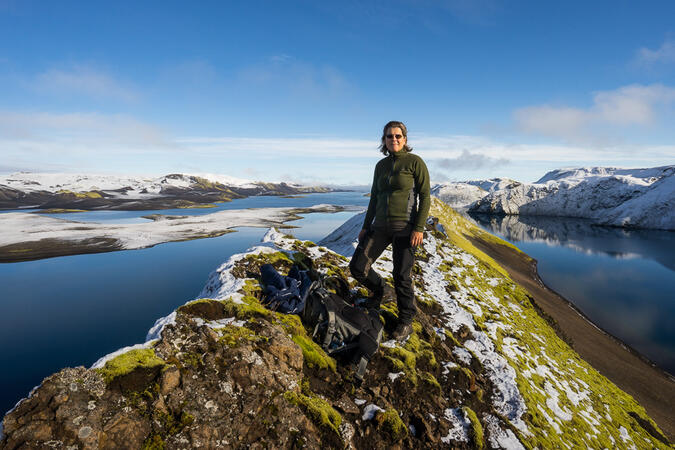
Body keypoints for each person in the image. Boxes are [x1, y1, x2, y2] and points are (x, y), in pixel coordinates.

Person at [349, 120, 430, 341]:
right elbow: (375, 198)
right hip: (380, 226)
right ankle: (381, 291)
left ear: (405, 139)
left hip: (405, 228)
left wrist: (419, 228)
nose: (393, 139)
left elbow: (425, 196)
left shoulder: (415, 162)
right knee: (357, 267)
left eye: (398, 136)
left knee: (401, 276)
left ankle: (406, 321)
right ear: (383, 140)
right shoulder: (381, 166)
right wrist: (366, 226)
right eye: (389, 136)